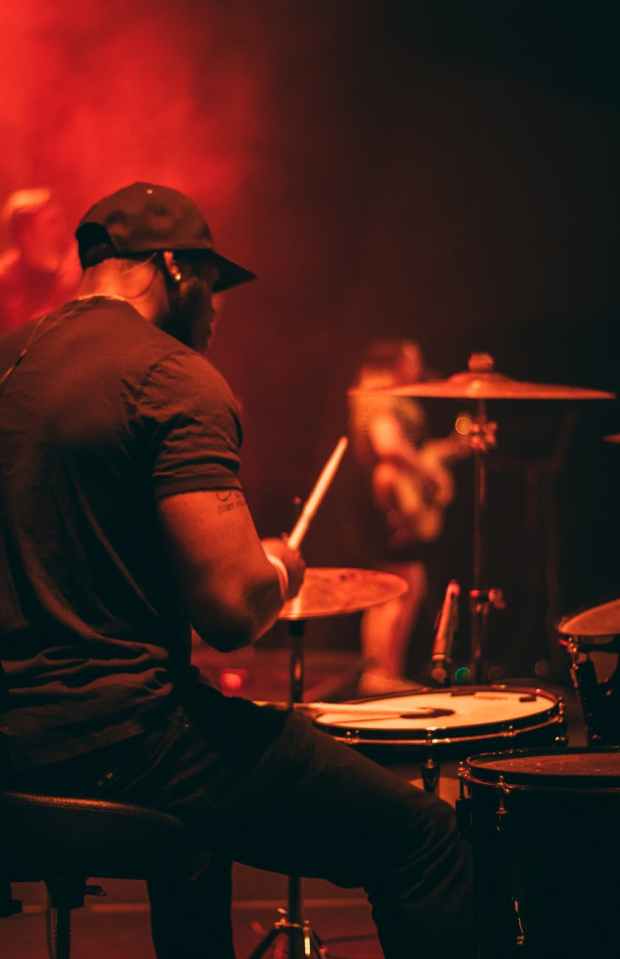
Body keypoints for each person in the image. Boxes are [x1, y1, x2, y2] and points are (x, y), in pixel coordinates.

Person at [0, 182, 474, 958]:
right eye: (214, 286)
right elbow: (228, 610)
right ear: (172, 268)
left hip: (13, 744)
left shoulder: (8, 363)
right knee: (426, 838)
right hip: (127, 742)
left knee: (196, 840)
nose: (218, 310)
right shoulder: (171, 378)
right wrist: (279, 569)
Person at [349, 340, 467, 693]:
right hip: (390, 499)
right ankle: (378, 675)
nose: (418, 366)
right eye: (412, 359)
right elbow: (389, 446)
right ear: (396, 361)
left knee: (407, 583)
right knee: (393, 588)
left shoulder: (382, 396)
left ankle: (386, 672)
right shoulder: (378, 397)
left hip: (393, 496)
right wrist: (429, 475)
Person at [0, 187, 81, 333]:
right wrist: (63, 293)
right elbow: (24, 339)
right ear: (26, 235)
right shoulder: (6, 282)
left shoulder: (61, 269)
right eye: (52, 223)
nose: (62, 229)